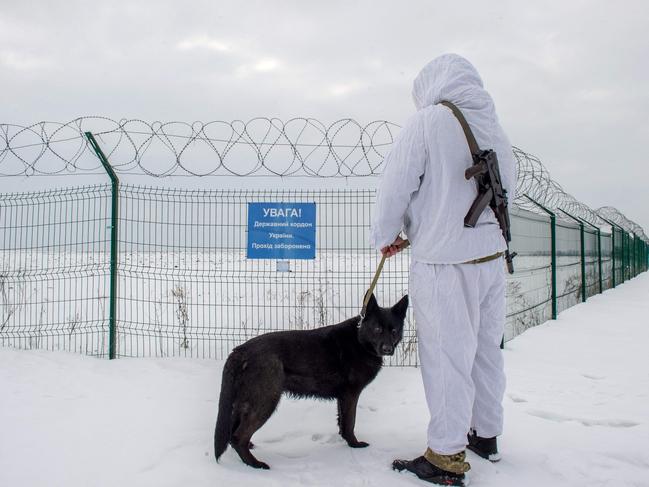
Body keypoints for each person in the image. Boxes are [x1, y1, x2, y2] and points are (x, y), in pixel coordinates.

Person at [370, 54, 517, 486]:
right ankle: (484, 433)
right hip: (491, 257)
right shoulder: (494, 126)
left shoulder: (429, 121)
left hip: (444, 265)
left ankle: (446, 456)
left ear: (431, 84)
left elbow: (395, 185)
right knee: (486, 352)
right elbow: (509, 186)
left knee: (448, 356)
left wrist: (387, 233)